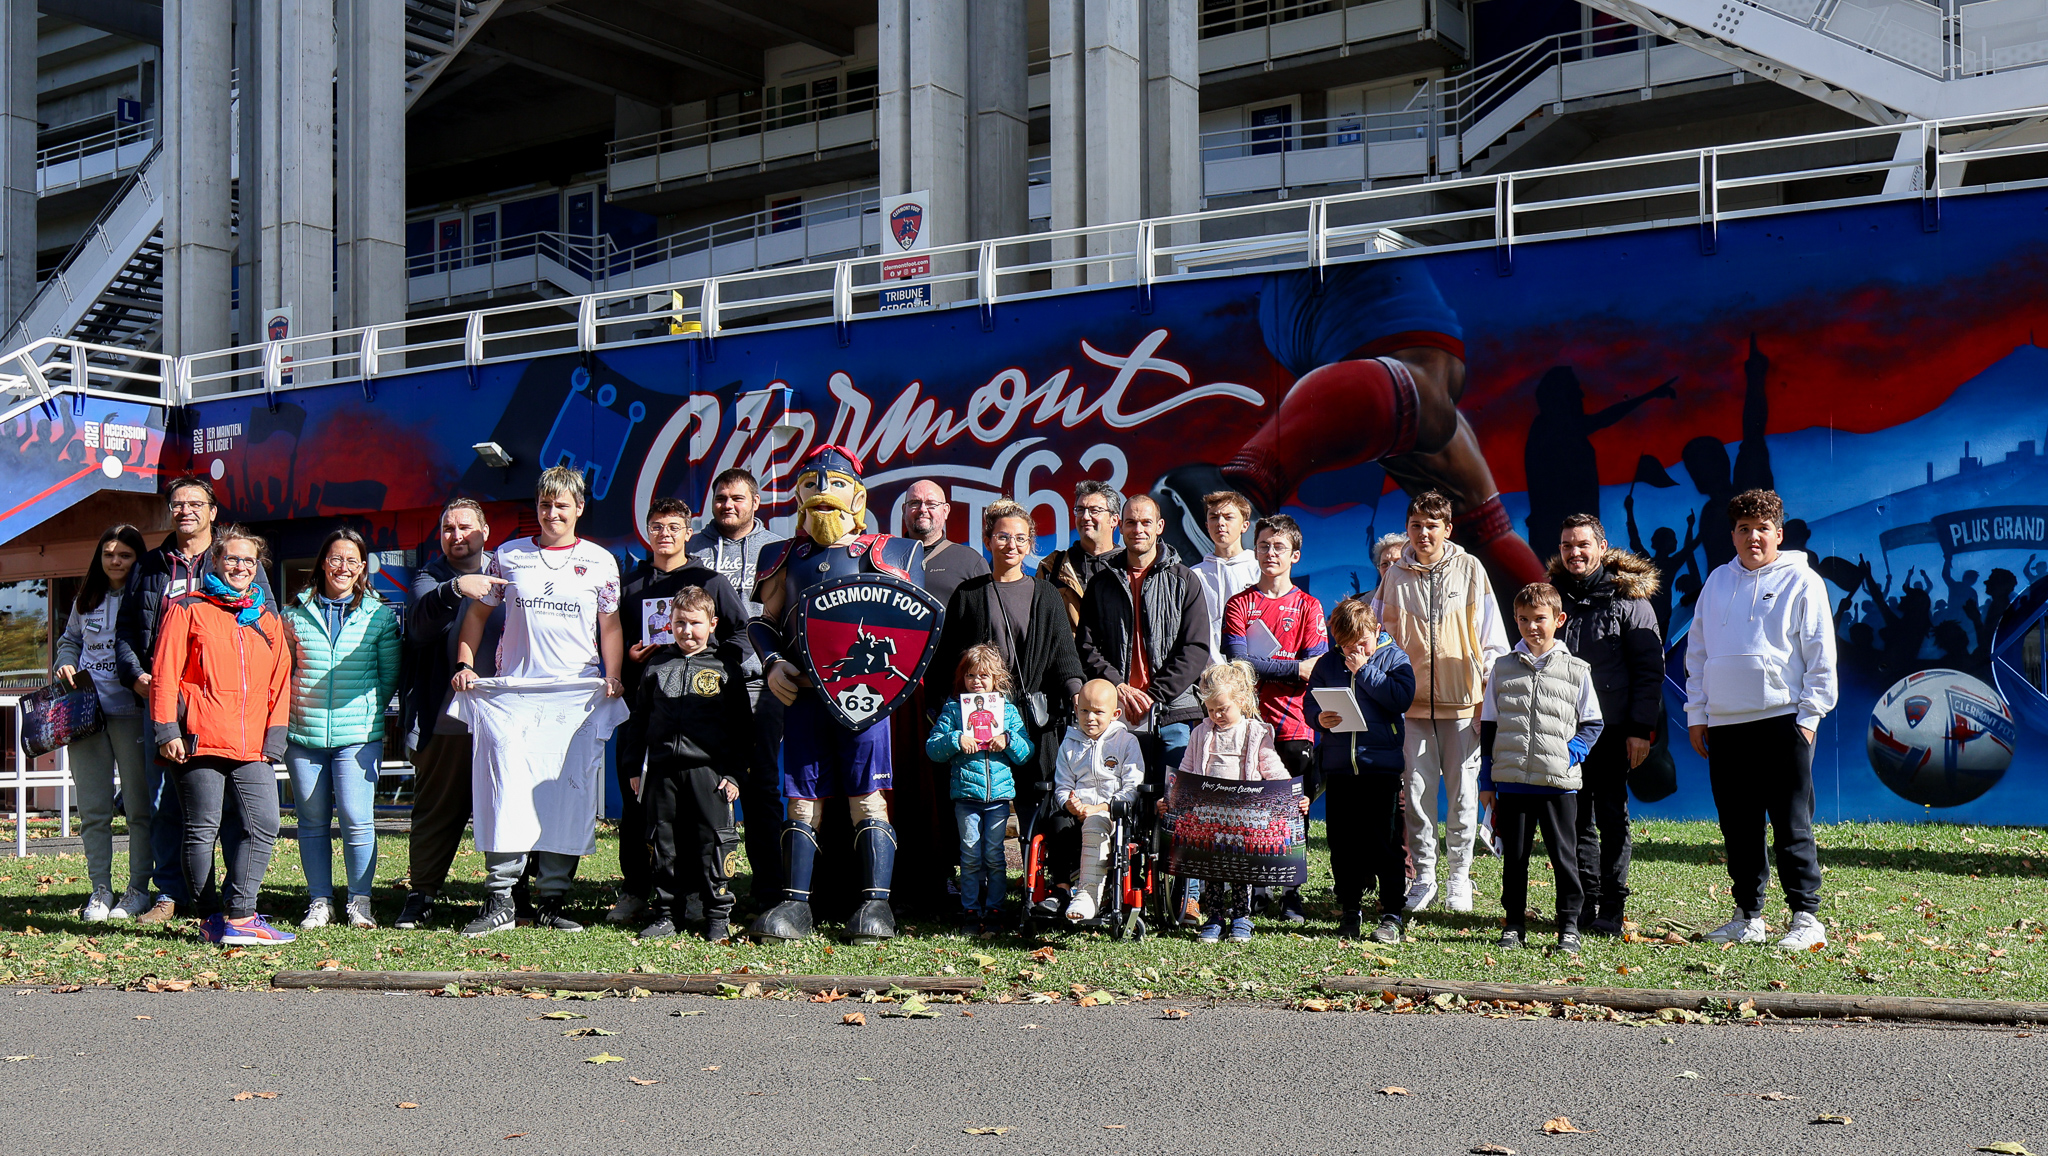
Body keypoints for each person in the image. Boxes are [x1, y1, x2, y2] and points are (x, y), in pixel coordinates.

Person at [747, 445, 928, 944]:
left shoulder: (891, 551)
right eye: (810, 484)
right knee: (802, 799)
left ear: (858, 494)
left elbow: (907, 623)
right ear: (798, 495)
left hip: (865, 697)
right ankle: (796, 905)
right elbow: (764, 622)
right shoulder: (783, 555)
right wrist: (772, 661)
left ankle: (875, 905)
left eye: (835, 483)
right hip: (803, 694)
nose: (822, 492)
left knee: (867, 796)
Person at [450, 465, 626, 937]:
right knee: (503, 794)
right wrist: (467, 664)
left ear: (579, 509)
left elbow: (609, 625)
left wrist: (613, 676)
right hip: (516, 697)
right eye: (545, 505)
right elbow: (477, 615)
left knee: (565, 797)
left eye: (562, 505)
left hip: (575, 696)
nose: (552, 513)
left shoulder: (601, 561)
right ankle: (500, 899)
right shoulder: (507, 556)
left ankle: (551, 900)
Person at [118, 476, 275, 923]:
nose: (184, 510)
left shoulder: (236, 559)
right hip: (165, 701)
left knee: (228, 807)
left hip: (223, 711)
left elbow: (266, 631)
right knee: (165, 803)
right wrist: (138, 678)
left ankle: (229, 898)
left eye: (195, 503)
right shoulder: (151, 566)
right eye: (177, 503)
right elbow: (128, 630)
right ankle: (170, 894)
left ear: (212, 511)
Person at [1685, 489, 1836, 952]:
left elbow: (1821, 656)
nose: (1753, 537)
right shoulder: (1716, 583)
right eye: (1744, 529)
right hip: (1727, 726)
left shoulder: (1804, 582)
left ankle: (1806, 918)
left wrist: (1808, 718)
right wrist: (1698, 713)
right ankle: (1748, 916)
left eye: (1762, 529)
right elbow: (1699, 653)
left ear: (1779, 534)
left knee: (1791, 822)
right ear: (1732, 534)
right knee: (1739, 825)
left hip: (1783, 721)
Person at [148, 525, 295, 944]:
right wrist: (166, 730)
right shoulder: (188, 608)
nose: (240, 566)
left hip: (252, 744)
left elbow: (280, 682)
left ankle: (241, 914)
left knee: (264, 822)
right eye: (232, 558)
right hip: (198, 738)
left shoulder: (266, 618)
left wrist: (274, 740)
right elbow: (164, 674)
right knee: (201, 829)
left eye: (248, 560)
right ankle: (212, 917)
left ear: (257, 567)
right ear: (215, 562)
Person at [613, 496, 751, 927]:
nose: (665, 534)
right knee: (647, 821)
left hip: (703, 731)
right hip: (649, 711)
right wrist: (630, 661)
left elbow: (743, 633)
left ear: (688, 532)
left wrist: (711, 662)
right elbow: (613, 638)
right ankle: (640, 893)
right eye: (656, 526)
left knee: (706, 827)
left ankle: (702, 903)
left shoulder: (709, 581)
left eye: (674, 526)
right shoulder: (632, 584)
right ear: (648, 531)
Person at [1372, 489, 1508, 916]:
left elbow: (1492, 640)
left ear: (1448, 528)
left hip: (1463, 704)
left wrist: (1489, 699)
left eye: (1432, 526)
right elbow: (1378, 635)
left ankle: (1459, 878)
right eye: (1416, 526)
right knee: (1416, 796)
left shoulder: (1470, 569)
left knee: (1465, 796)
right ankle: (1425, 877)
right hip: (1410, 707)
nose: (1423, 533)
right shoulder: (1394, 575)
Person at [1077, 492, 1210, 924]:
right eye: (1130, 522)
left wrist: (1153, 692)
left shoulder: (1185, 580)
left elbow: (1196, 649)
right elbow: (1088, 646)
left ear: (1159, 527)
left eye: (1145, 522)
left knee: (1180, 802)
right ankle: (1112, 888)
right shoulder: (1102, 581)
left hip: (1172, 711)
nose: (1137, 529)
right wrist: (1118, 688)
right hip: (1116, 717)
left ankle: (1188, 894)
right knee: (1115, 801)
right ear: (1121, 527)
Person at [927, 499, 1085, 848]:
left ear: (1030, 543)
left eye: (1020, 538)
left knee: (1036, 804)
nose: (1011, 545)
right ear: (988, 540)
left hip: (1031, 720)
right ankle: (977, 885)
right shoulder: (969, 594)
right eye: (1002, 537)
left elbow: (1065, 657)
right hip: (978, 723)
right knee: (975, 804)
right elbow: (944, 661)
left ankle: (1035, 886)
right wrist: (942, 710)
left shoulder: (1045, 594)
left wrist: (1077, 693)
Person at [1549, 513, 1663, 936]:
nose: (1574, 553)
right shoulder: (1551, 597)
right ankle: (1582, 903)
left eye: (1582, 544)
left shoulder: (1629, 599)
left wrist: (1640, 728)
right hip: (1562, 729)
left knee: (1612, 817)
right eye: (1566, 545)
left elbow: (1649, 670)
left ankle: (1612, 906)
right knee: (1573, 819)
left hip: (1615, 729)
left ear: (1601, 547)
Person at [281, 528, 401, 930]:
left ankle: (360, 901)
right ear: (322, 563)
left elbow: (388, 677)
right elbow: (285, 673)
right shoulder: (294, 614)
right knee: (311, 822)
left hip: (358, 737)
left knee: (356, 817)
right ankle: (319, 901)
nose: (343, 567)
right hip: (304, 736)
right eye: (336, 559)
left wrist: (365, 714)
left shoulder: (380, 615)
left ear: (362, 568)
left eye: (352, 560)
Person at [394, 499, 505, 930]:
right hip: (447, 717)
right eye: (447, 529)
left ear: (485, 531)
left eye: (465, 527)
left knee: (508, 805)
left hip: (507, 714)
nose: (456, 536)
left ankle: (512, 896)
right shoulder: (432, 576)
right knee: (436, 810)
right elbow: (419, 627)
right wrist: (456, 589)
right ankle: (420, 894)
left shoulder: (510, 570)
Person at [1479, 582, 1603, 954]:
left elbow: (1593, 722)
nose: (1532, 626)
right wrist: (1487, 779)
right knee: (1514, 860)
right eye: (1523, 619)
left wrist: (1572, 753)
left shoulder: (1577, 670)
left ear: (1559, 620)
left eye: (1540, 619)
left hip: (1557, 785)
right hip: (1513, 783)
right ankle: (1514, 924)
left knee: (1564, 857)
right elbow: (1488, 726)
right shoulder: (1502, 670)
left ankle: (1568, 925)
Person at [687, 467, 788, 911]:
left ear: (755, 502)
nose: (728, 505)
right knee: (703, 782)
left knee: (761, 783)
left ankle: (769, 889)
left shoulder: (778, 548)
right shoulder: (692, 547)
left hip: (760, 681)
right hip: (704, 680)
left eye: (737, 498)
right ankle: (703, 889)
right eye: (721, 497)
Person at [1222, 513, 1328, 924]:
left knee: (1292, 811)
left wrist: (1265, 664)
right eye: (1264, 544)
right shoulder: (1240, 604)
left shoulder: (1307, 605)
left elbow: (1315, 667)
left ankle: (1291, 894)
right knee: (1251, 809)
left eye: (1279, 547)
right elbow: (1239, 665)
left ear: (1294, 555)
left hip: (1294, 722)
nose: (1270, 552)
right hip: (1249, 724)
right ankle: (1257, 888)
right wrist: (1289, 666)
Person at [53, 524, 154, 922]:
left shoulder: (146, 596)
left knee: (138, 810)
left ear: (137, 558)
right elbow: (70, 640)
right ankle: (100, 890)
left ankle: (137, 890)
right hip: (86, 716)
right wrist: (65, 659)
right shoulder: (86, 597)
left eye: (125, 555)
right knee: (93, 810)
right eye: (109, 554)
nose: (116, 561)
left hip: (132, 714)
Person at [1161, 661, 1297, 944]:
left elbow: (1274, 771)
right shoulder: (1201, 733)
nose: (1217, 715)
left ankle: (1241, 918)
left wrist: (1293, 795)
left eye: (1223, 708)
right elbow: (1186, 771)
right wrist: (1170, 799)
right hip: (1210, 817)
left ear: (1242, 700)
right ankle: (1214, 917)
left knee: (1240, 871)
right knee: (1211, 870)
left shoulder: (1256, 733)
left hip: (1244, 818)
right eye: (1211, 709)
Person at [1307, 598, 1414, 942]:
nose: (1354, 650)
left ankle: (1392, 913)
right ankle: (1350, 908)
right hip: (1340, 768)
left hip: (1379, 768)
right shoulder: (1327, 663)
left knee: (1385, 842)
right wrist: (1318, 718)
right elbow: (1312, 700)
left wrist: (1363, 669)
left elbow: (1400, 698)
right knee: (1343, 842)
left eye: (1362, 643)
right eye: (1346, 646)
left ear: (1377, 630)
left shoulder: (1394, 658)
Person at [925, 646, 1034, 933]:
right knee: (971, 855)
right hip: (966, 798)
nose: (977, 681)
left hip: (998, 798)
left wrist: (1008, 740)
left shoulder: (1007, 712)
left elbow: (1026, 753)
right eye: (970, 675)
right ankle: (971, 910)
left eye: (984, 675)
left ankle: (996, 908)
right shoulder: (954, 710)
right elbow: (932, 749)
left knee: (995, 856)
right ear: (962, 678)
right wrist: (955, 740)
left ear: (996, 678)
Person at [1043, 679, 1145, 924]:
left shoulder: (1126, 742)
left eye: (1099, 712)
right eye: (1084, 711)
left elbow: (1132, 786)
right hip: (1078, 811)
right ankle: (1061, 889)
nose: (1090, 717)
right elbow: (1063, 783)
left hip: (1113, 814)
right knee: (1055, 822)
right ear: (1076, 710)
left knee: (1096, 822)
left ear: (1115, 714)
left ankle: (1087, 895)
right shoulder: (1069, 743)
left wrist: (1102, 808)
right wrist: (1070, 803)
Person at [1191, 491, 1260, 662]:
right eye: (1214, 517)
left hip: (1254, 674)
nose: (1220, 523)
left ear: (1245, 526)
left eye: (1228, 517)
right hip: (1208, 679)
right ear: (1207, 525)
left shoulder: (1260, 570)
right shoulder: (1194, 576)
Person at [902, 480, 990, 607]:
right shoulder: (884, 557)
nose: (922, 509)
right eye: (914, 503)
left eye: (931, 504)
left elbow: (985, 620)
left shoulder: (970, 562)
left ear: (946, 511)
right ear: (904, 510)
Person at [1048, 481, 1122, 628]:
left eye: (1094, 510)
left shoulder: (1129, 566)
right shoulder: (1052, 567)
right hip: (1069, 651)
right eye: (1080, 509)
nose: (1086, 517)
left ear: (1114, 520)